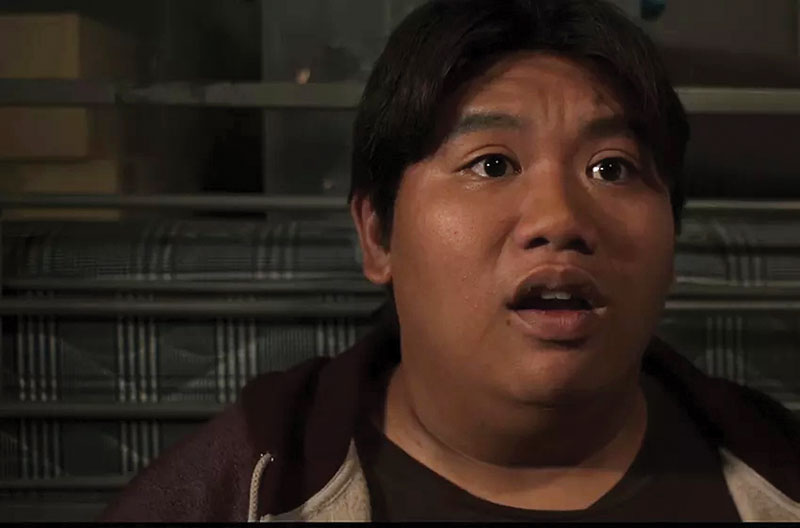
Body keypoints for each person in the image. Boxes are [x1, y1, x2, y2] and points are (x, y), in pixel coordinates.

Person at [100, 0, 800, 521]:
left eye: (611, 169)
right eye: (492, 163)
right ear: (378, 235)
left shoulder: (775, 473)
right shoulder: (236, 490)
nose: (560, 219)